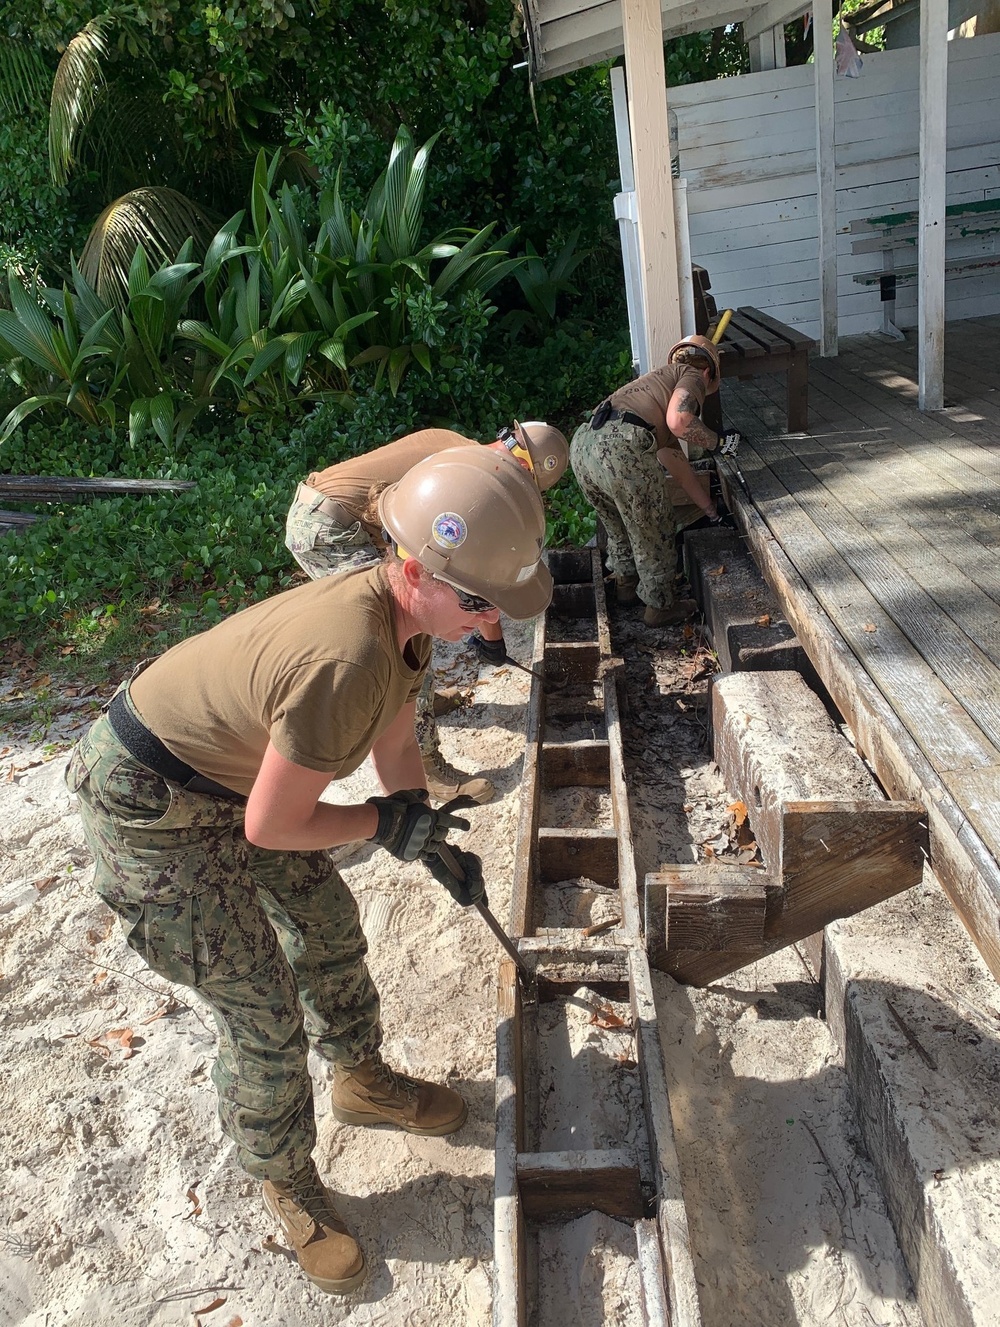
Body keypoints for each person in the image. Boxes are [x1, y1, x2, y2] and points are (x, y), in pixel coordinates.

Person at [65, 447, 552, 1296]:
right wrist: (383, 824)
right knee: (262, 1005)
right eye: (477, 601)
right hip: (151, 804)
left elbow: (398, 745)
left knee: (325, 925)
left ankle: (360, 1079)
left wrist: (426, 833)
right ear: (413, 565)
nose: (486, 623)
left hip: (227, 781)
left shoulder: (408, 626)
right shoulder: (346, 657)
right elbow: (275, 821)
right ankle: (285, 1181)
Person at [284, 421, 568, 802]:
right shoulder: (470, 482)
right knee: (405, 632)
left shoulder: (460, 450)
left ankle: (420, 703)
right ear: (525, 468)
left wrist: (490, 637)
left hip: (328, 511)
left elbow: (473, 569)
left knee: (414, 627)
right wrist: (493, 639)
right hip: (330, 527)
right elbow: (473, 574)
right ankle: (425, 762)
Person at [570, 334, 741, 627]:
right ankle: (660, 607)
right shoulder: (692, 374)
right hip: (620, 447)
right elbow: (680, 420)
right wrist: (718, 442)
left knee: (619, 521)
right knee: (653, 525)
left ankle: (626, 584)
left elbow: (677, 463)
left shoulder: (651, 391)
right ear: (708, 371)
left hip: (583, 445)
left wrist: (711, 511)